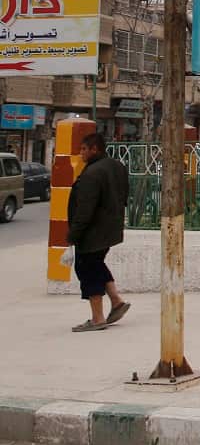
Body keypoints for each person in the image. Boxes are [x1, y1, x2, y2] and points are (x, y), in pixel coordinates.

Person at [66, 132, 130, 332]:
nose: (81, 153)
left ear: (95, 149)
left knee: (87, 270)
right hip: (110, 229)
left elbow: (85, 209)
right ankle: (116, 301)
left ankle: (97, 318)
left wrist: (73, 235)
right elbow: (124, 195)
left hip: (92, 233)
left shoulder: (92, 174)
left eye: (84, 149)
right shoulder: (117, 166)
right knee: (97, 264)